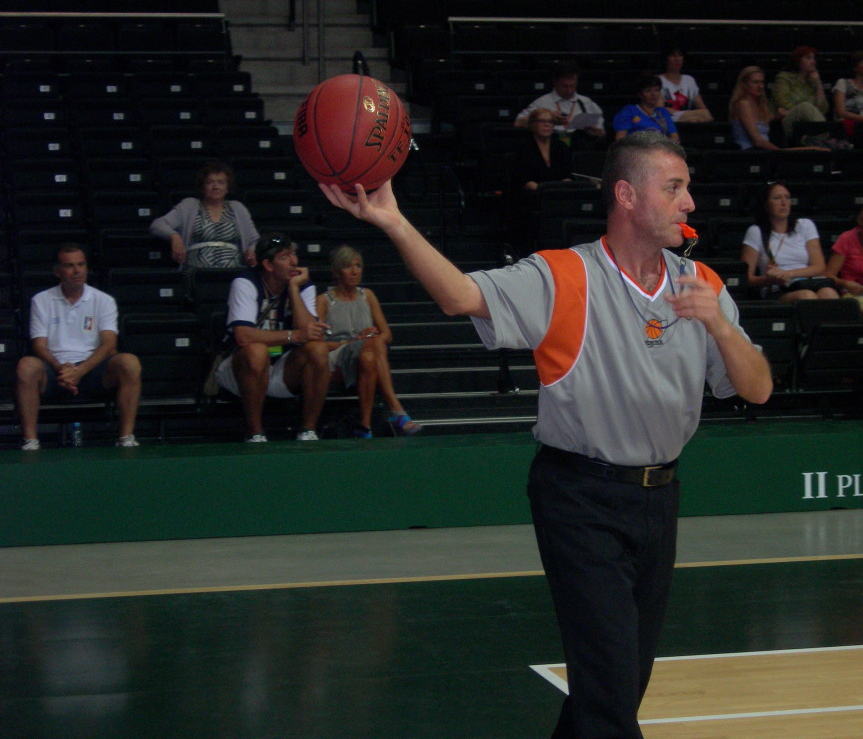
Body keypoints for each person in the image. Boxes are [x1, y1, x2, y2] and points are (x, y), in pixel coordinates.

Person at [318, 132, 772, 739]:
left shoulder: (703, 287)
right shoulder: (564, 275)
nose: (690, 203)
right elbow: (460, 297)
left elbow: (758, 387)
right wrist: (395, 223)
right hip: (580, 497)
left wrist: (721, 327)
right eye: (674, 188)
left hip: (660, 497)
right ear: (626, 196)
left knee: (615, 684)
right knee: (610, 691)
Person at [16, 244, 142, 449]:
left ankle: (126, 437)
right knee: (26, 365)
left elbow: (109, 344)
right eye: (69, 266)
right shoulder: (41, 300)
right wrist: (62, 370)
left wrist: (80, 371)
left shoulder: (103, 300)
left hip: (93, 370)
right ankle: (31, 440)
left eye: (81, 264)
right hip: (55, 370)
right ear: (57, 271)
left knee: (129, 362)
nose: (77, 271)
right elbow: (39, 346)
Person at [214, 232, 331, 442]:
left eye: (294, 255)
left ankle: (308, 431)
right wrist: (293, 335)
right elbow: (243, 337)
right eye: (285, 257)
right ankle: (255, 432)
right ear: (268, 265)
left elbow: (309, 334)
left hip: (282, 367)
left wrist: (294, 289)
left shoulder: (303, 285)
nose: (294, 262)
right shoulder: (245, 282)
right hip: (239, 367)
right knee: (257, 351)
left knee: (318, 349)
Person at [316, 245, 421, 438]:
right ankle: (396, 410)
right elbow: (317, 343)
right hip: (337, 353)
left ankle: (364, 427)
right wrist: (354, 342)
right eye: (348, 266)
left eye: (358, 266)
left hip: (365, 355)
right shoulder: (324, 300)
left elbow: (387, 333)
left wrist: (368, 341)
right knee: (371, 345)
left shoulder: (368, 296)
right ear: (337, 271)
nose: (355, 272)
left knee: (372, 349)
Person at [150, 160, 259, 269]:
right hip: (196, 271)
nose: (215, 187)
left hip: (232, 271)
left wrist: (251, 251)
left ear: (227, 187)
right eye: (209, 182)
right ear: (202, 187)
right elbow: (157, 225)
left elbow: (253, 239)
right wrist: (175, 236)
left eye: (221, 182)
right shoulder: (189, 205)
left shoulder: (237, 207)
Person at [741, 182, 839, 302]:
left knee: (829, 293)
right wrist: (769, 279)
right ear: (766, 205)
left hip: (807, 282)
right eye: (777, 198)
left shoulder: (805, 225)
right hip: (778, 288)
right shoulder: (756, 231)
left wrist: (788, 273)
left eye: (787, 198)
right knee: (807, 296)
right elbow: (747, 278)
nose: (784, 203)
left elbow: (819, 267)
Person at [514, 61, 606, 148]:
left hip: (580, 147)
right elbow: (518, 123)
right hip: (551, 147)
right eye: (565, 86)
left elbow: (602, 133)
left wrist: (596, 131)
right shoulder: (542, 102)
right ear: (555, 83)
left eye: (572, 86)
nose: (569, 90)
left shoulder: (587, 103)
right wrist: (548, 118)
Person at [771, 46, 832, 145]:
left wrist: (818, 83)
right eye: (808, 58)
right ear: (798, 60)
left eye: (814, 58)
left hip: (809, 126)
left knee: (807, 108)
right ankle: (826, 140)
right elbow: (782, 102)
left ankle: (818, 141)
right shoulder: (784, 77)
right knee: (805, 107)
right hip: (787, 122)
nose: (813, 62)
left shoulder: (812, 82)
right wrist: (803, 110)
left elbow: (823, 109)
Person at [510, 107, 574, 192]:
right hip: (532, 195)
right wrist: (544, 192)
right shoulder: (523, 147)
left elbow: (568, 175)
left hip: (559, 193)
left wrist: (564, 188)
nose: (547, 124)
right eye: (542, 121)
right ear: (533, 124)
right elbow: (524, 180)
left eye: (550, 121)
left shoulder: (561, 146)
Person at [613, 73, 681, 142]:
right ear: (639, 94)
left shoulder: (663, 112)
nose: (653, 94)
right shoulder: (629, 111)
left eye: (656, 90)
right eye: (648, 91)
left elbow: (675, 138)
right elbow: (620, 140)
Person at [657, 46, 713, 123]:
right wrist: (691, 117)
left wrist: (679, 114)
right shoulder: (658, 79)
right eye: (673, 56)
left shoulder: (689, 80)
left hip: (681, 118)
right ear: (666, 59)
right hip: (666, 121)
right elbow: (660, 110)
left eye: (680, 55)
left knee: (706, 114)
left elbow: (704, 110)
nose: (677, 59)